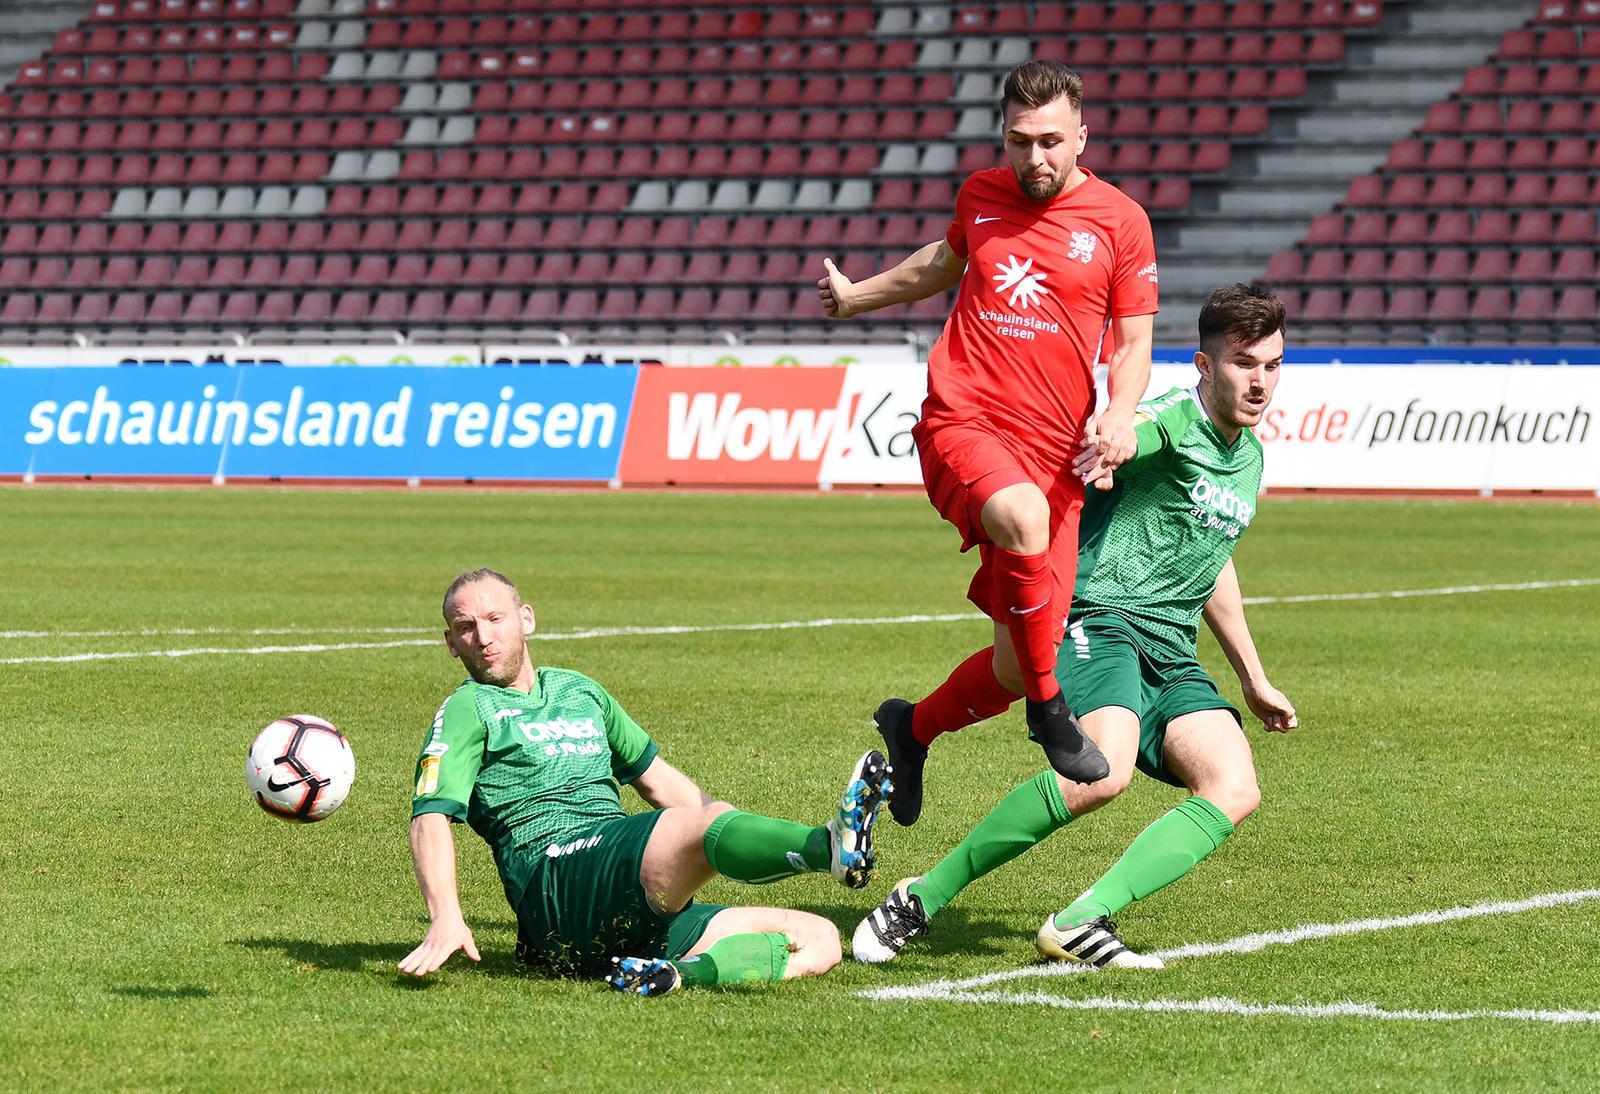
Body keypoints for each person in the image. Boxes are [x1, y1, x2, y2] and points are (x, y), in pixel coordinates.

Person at [853, 283, 1298, 968]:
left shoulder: (1250, 458)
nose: (1260, 381)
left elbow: (1215, 560)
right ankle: (920, 896)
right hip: (1099, 618)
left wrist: (1254, 678)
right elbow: (1133, 431)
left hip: (1172, 650)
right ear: (1207, 367)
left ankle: (1082, 920)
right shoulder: (1175, 418)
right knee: (1103, 772)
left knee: (1235, 786)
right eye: (1244, 363)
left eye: (1271, 364)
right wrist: (1114, 444)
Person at [817, 59, 1160, 821]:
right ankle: (1051, 712)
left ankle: (910, 729)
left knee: (1010, 663)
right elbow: (943, 263)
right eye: (1017, 141)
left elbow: (1133, 343)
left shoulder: (1122, 221)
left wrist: (1121, 412)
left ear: (1081, 135)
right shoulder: (980, 193)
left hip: (1059, 453)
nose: (1033, 159)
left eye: (1048, 141)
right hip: (963, 420)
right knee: (1022, 525)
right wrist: (856, 297)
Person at [399, 567, 892, 996]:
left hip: (615, 896)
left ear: (526, 618)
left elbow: (660, 783)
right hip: (551, 879)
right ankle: (825, 847)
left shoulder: (580, 690)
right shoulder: (468, 708)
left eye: (494, 619)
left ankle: (671, 975)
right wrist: (445, 916)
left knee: (817, 937)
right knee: (700, 825)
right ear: (451, 643)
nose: (483, 637)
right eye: (465, 627)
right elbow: (430, 818)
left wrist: (722, 827)